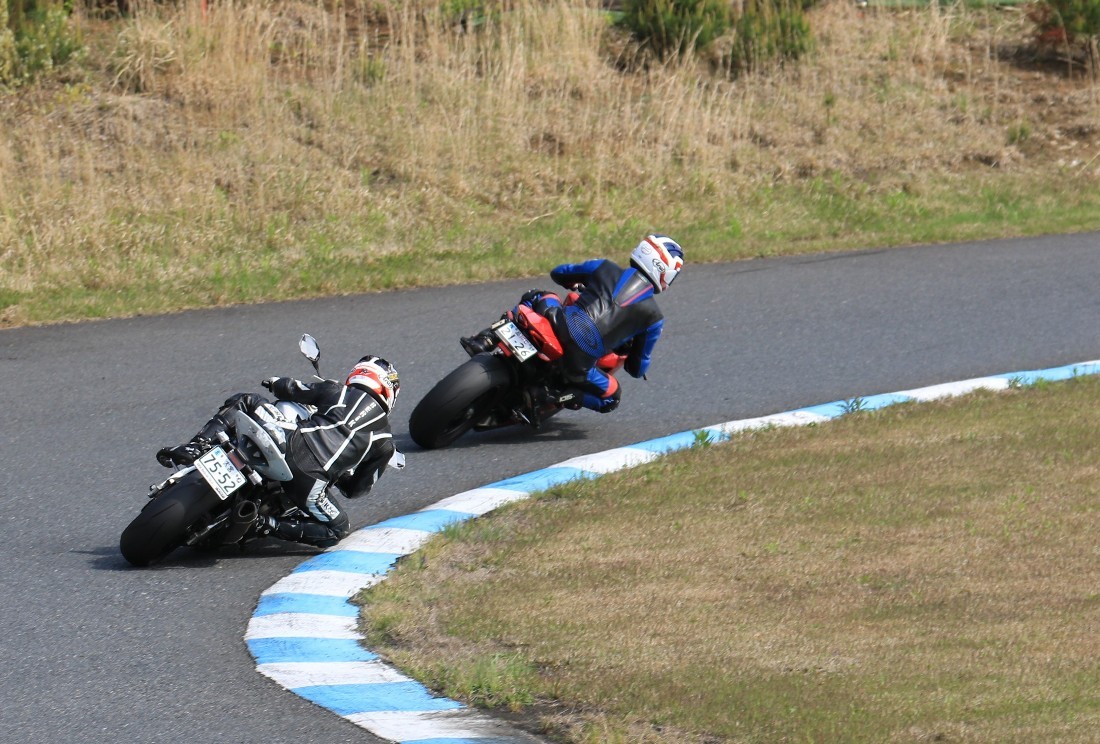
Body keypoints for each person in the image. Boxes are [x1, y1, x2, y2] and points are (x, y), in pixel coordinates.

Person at [155, 355, 401, 549]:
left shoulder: (338, 391)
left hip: (289, 441)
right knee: (338, 529)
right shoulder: (385, 443)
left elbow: (292, 388)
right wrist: (339, 473)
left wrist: (274, 382)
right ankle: (264, 523)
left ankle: (197, 446)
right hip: (310, 484)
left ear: (358, 374)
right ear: (388, 392)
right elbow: (356, 490)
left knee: (248, 400)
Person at [461, 233, 684, 413]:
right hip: (578, 365)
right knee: (611, 398)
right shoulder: (654, 319)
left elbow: (559, 273)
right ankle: (549, 396)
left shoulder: (604, 267)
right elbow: (637, 368)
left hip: (556, 324)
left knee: (538, 296)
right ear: (665, 273)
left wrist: (578, 284)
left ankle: (486, 338)